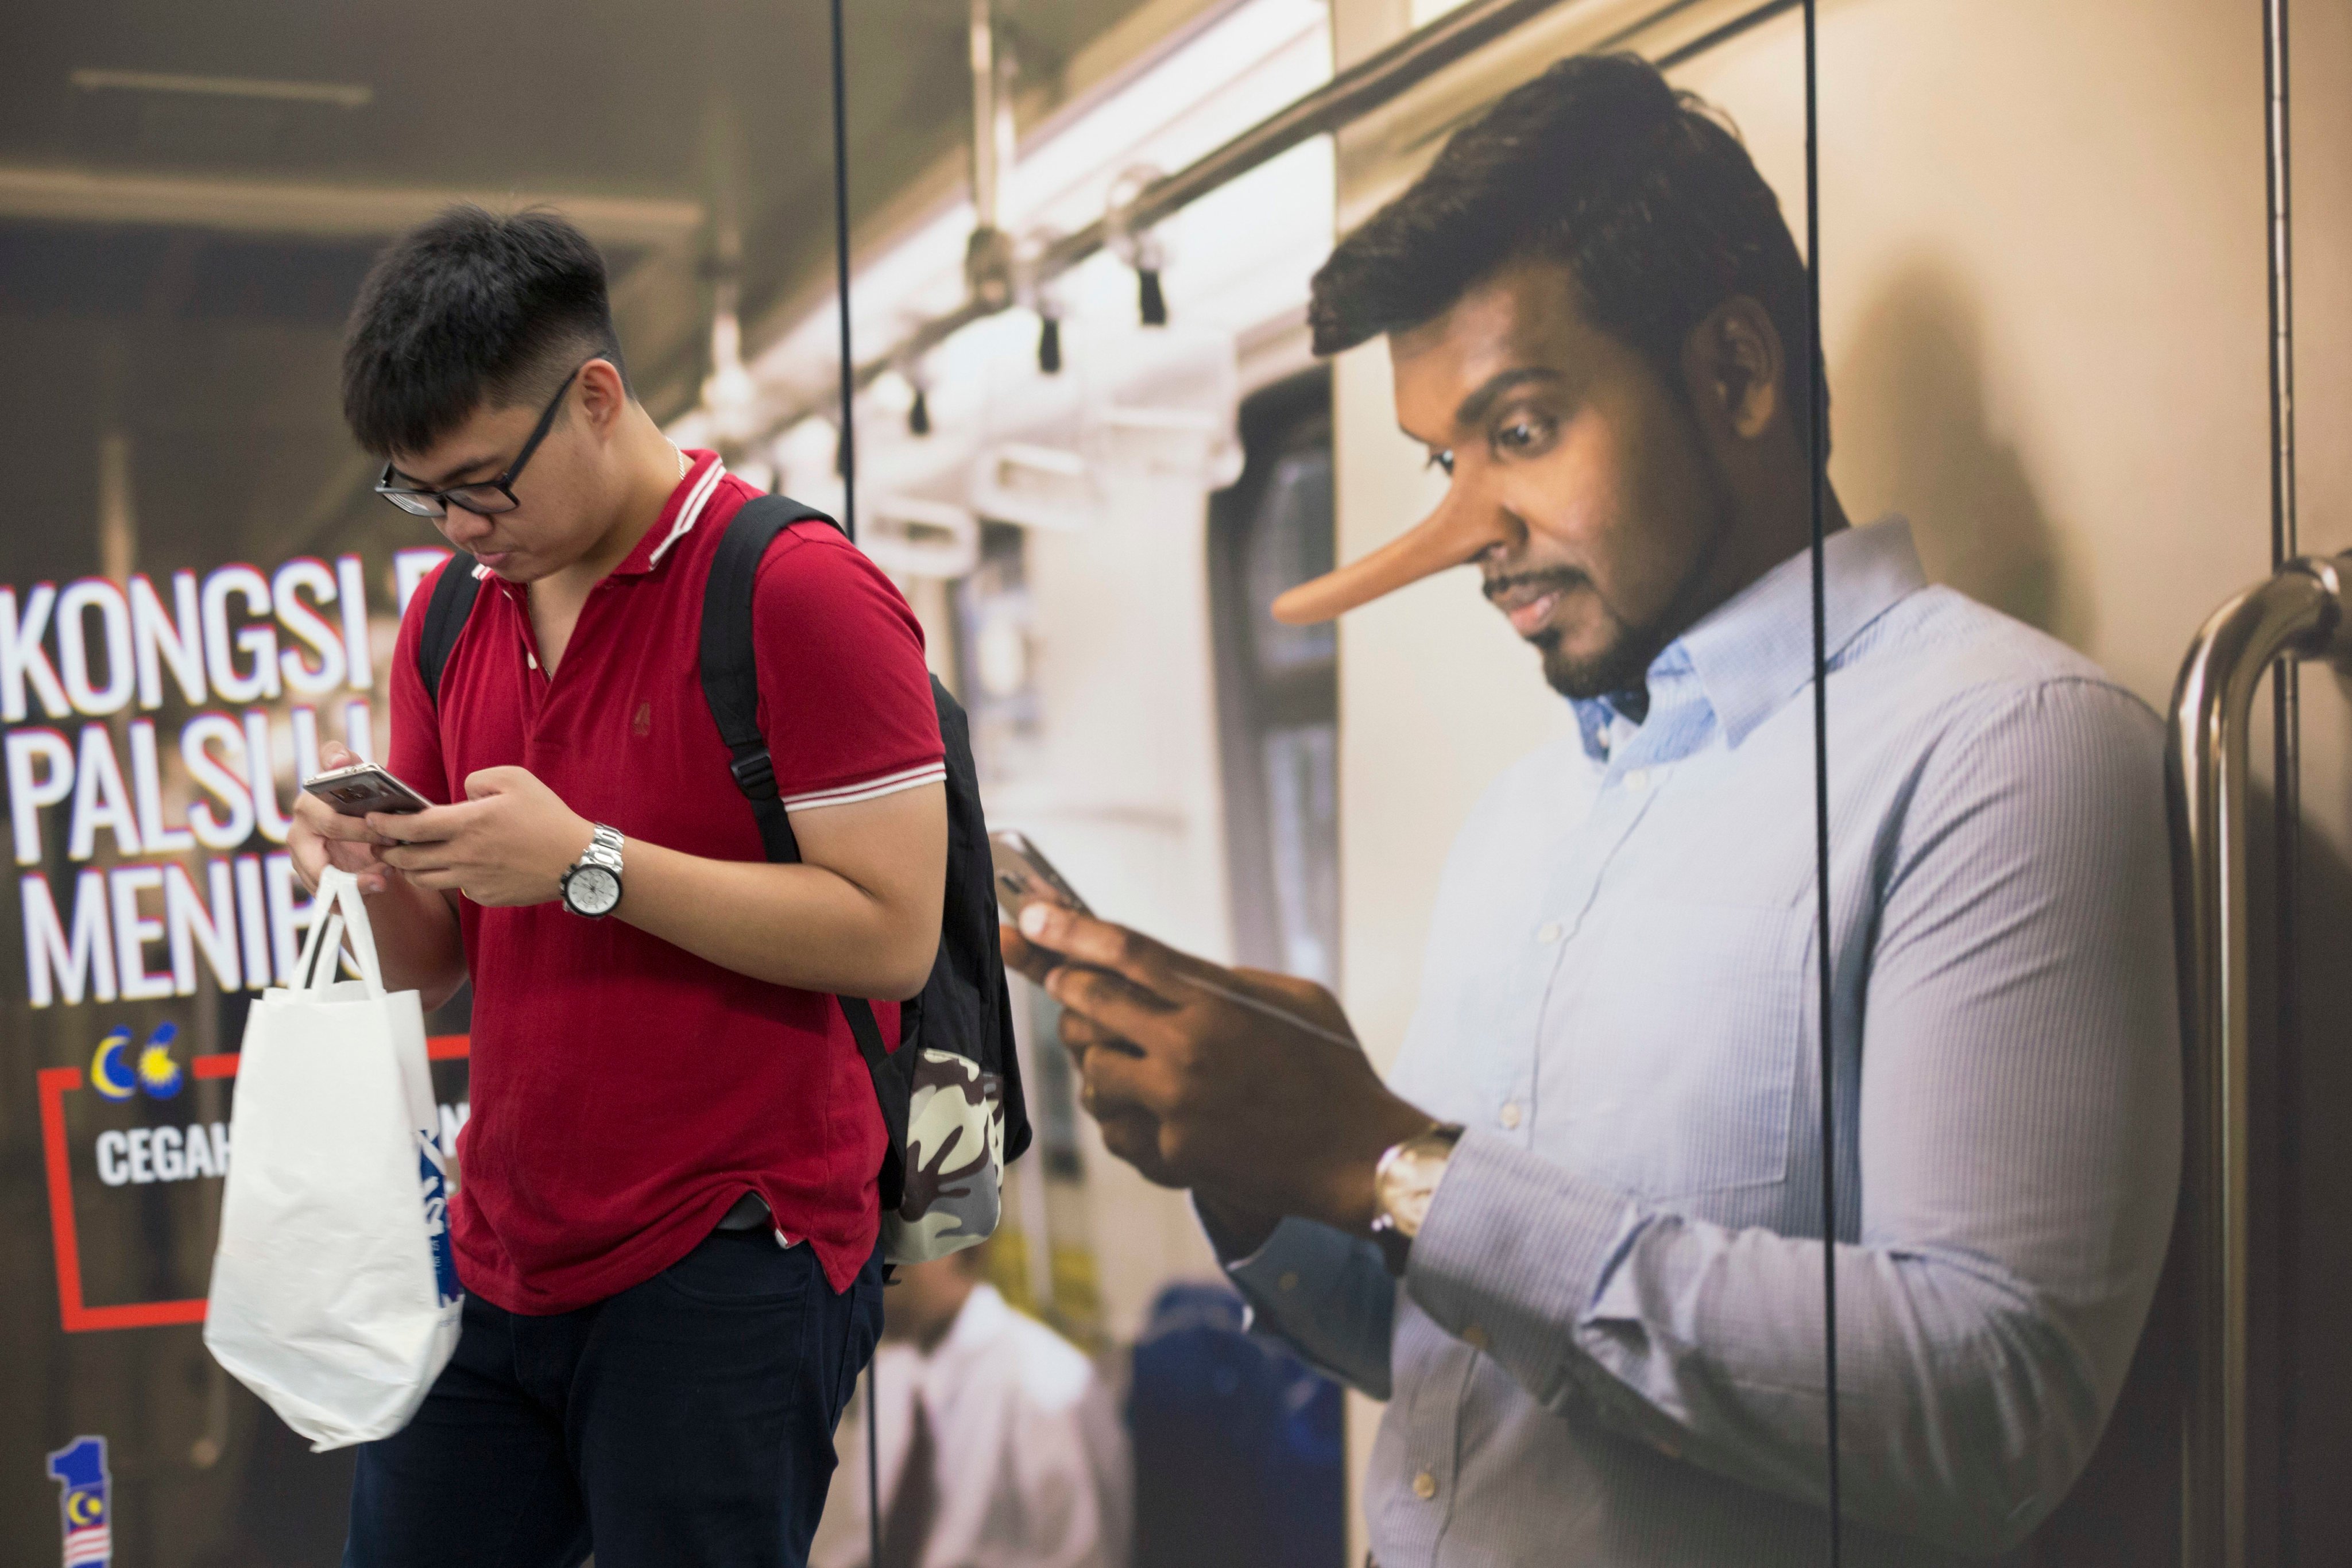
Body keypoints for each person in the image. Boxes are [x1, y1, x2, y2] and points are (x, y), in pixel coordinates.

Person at [1000, 53, 2180, 1567]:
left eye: (1525, 430)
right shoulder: (1526, 818)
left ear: (1738, 376)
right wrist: (1259, 1153)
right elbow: (1455, 1359)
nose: (1467, 531)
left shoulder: (2004, 750)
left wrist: (1391, 1161)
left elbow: (1997, 1408)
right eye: (1444, 459)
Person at [294, 206, 950, 1568]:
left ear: (596, 398)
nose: (464, 528)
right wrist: (367, 872)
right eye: (425, 497)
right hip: (503, 1246)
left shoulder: (797, 592)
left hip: (734, 1245)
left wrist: (587, 864)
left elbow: (891, 933)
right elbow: (435, 960)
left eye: (483, 484)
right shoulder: (456, 614)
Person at [811, 1246, 1132, 1568]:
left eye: (892, 1257)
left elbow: (1082, 1557)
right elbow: (872, 1542)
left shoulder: (1049, 1382)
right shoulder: (890, 1376)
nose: (869, 1270)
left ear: (960, 1246)